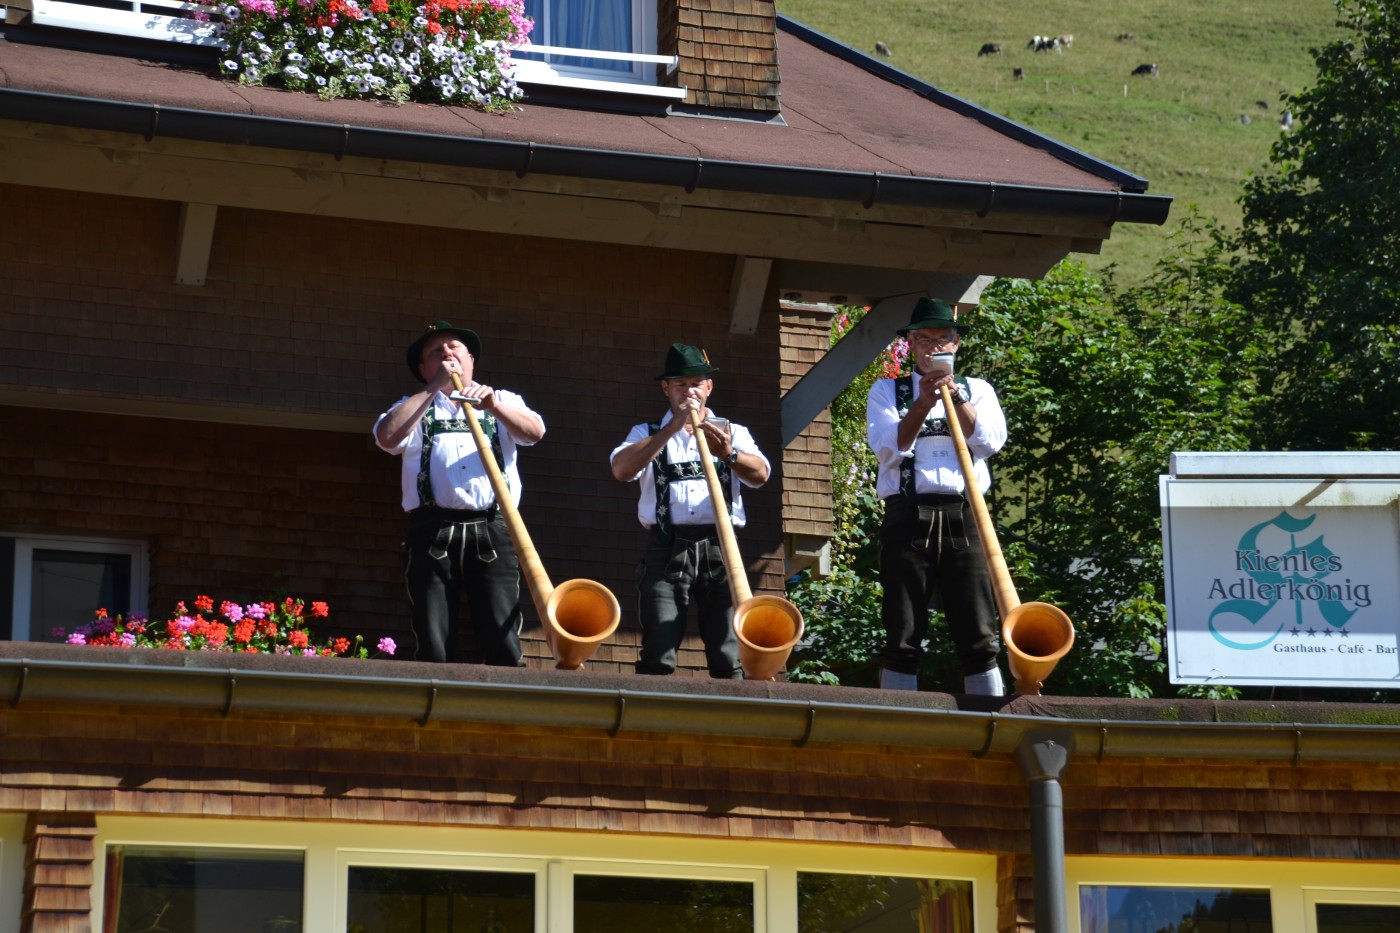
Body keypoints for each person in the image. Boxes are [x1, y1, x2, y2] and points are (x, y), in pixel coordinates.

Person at [373, 320, 546, 666]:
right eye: (436, 352)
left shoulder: (503, 400)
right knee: (433, 638)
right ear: (423, 370)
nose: (447, 354)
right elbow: (386, 438)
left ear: (471, 361)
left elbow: (535, 432)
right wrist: (435, 388)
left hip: (494, 527)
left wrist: (493, 406)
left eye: (455, 348)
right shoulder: (412, 405)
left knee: (502, 636)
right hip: (431, 528)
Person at [866, 298, 1008, 695]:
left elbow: (989, 443)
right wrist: (924, 402)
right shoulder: (886, 391)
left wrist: (955, 398)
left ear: (956, 344)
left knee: (979, 630)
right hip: (906, 515)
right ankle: (898, 719)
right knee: (902, 630)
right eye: (924, 340)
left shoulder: (978, 390)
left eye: (941, 340)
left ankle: (990, 717)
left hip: (966, 514)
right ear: (911, 345)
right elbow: (889, 450)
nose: (933, 348)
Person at [610, 343, 771, 679]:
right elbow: (621, 470)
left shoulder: (733, 431)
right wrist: (673, 428)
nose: (689, 392)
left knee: (729, 655)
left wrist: (729, 454)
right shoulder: (647, 433)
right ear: (665, 388)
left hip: (721, 549)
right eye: (680, 384)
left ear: (709, 387)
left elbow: (761, 475)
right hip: (666, 547)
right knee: (658, 651)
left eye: (696, 383)